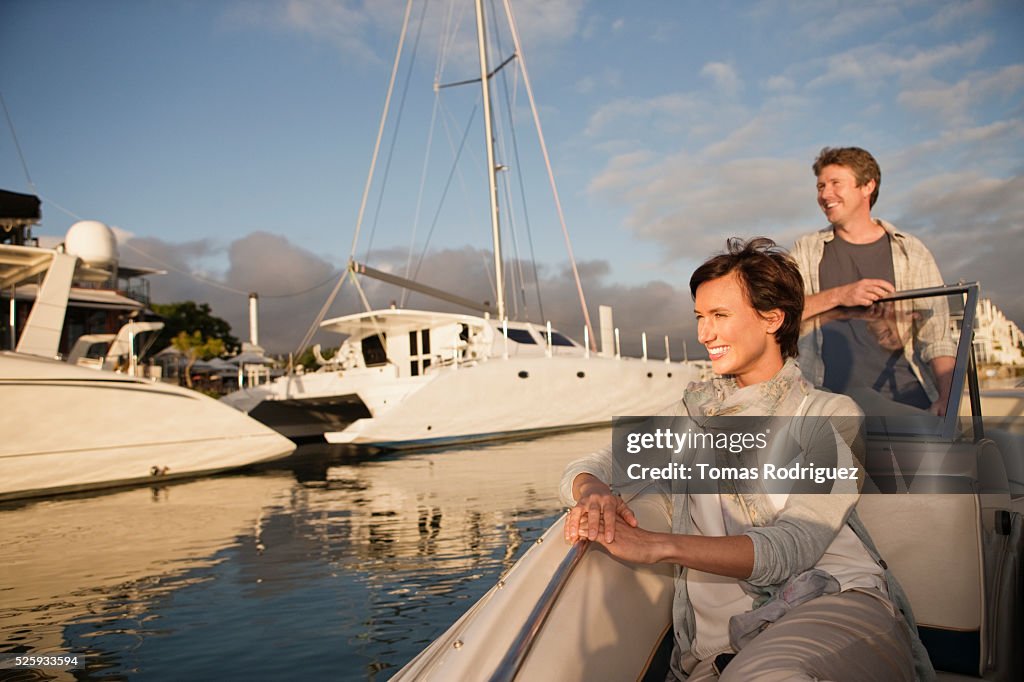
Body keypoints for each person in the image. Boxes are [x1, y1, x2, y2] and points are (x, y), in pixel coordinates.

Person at [560, 238, 932, 681]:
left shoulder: (830, 415)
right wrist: (595, 492)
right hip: (720, 641)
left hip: (829, 600)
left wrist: (657, 546)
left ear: (773, 318)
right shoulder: (691, 415)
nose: (703, 334)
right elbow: (588, 467)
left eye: (719, 316)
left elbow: (793, 545)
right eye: (699, 317)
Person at [792, 147, 956, 415]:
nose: (824, 194)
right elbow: (780, 314)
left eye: (835, 184)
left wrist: (947, 399)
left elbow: (936, 335)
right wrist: (840, 296)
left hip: (908, 404)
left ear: (867, 186)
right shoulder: (805, 251)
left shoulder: (910, 251)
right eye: (821, 186)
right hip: (827, 409)